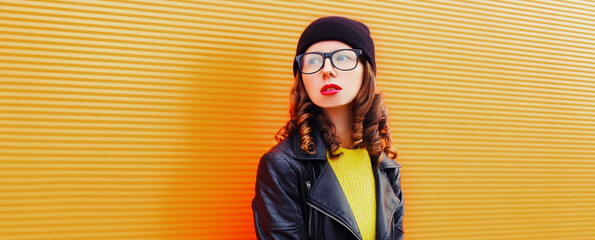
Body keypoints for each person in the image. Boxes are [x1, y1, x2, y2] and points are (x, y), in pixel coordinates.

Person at [252, 16, 404, 240]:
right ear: (301, 78)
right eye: (313, 61)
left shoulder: (386, 168)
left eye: (342, 58)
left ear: (366, 70)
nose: (327, 70)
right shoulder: (282, 166)